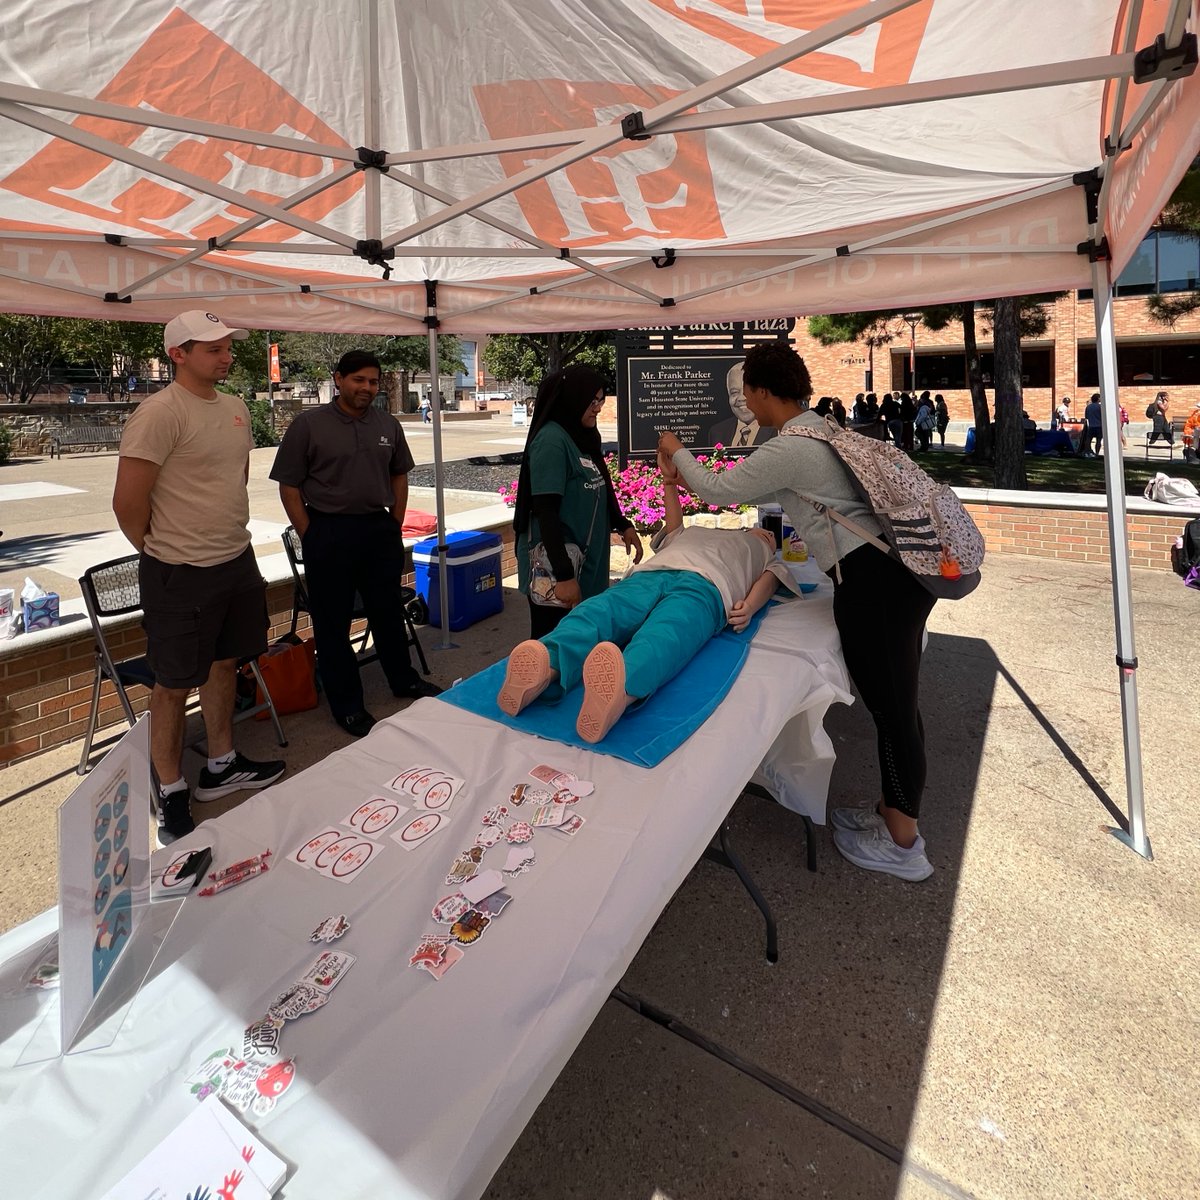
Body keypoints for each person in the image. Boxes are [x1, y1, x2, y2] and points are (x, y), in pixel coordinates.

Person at [658, 342, 936, 882]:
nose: (747, 405)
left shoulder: (792, 445)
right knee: (897, 705)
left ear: (763, 392)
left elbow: (715, 489)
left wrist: (676, 448)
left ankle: (904, 846)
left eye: (747, 394)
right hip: (891, 577)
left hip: (874, 585)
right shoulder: (822, 429)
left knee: (893, 713)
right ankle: (891, 814)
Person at [113, 310, 285, 845]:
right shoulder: (159, 413)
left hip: (234, 559)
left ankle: (221, 764)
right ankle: (170, 792)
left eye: (228, 345)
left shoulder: (236, 408)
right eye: (213, 348)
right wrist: (162, 551)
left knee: (225, 663)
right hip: (179, 571)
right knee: (171, 685)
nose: (227, 355)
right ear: (178, 354)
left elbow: (233, 479)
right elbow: (127, 503)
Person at [498, 471, 797, 742]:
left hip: (706, 588)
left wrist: (750, 606)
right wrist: (669, 483)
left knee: (666, 634)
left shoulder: (764, 556)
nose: (767, 534)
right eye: (765, 532)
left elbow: (770, 582)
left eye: (770, 536)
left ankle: (620, 688)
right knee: (602, 610)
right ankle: (545, 665)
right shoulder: (698, 532)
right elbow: (675, 523)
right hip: (653, 573)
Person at [270, 350, 442, 740]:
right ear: (338, 379)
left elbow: (399, 474)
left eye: (373, 381)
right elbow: (289, 485)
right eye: (359, 380)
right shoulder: (308, 425)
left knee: (387, 612)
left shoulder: (387, 424)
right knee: (333, 625)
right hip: (328, 533)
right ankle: (347, 706)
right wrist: (309, 532)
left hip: (378, 531)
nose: (367, 388)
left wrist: (394, 522)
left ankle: (404, 681)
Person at [513, 366, 643, 639]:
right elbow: (545, 511)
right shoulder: (552, 441)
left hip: (585, 565)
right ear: (572, 399)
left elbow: (601, 483)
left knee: (583, 641)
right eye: (592, 401)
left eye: (601, 400)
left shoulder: (583, 436)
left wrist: (622, 523)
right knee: (555, 646)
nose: (597, 408)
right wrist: (563, 576)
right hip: (557, 569)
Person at [708, 360, 776, 448]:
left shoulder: (778, 430)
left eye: (748, 391)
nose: (741, 398)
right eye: (734, 392)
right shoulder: (717, 432)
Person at [1080, 393, 1102, 458]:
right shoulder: (1100, 407)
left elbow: (1086, 417)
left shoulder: (1088, 407)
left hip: (1091, 425)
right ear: (1098, 399)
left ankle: (1087, 452)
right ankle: (1097, 453)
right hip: (1099, 425)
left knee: (1088, 440)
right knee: (1098, 440)